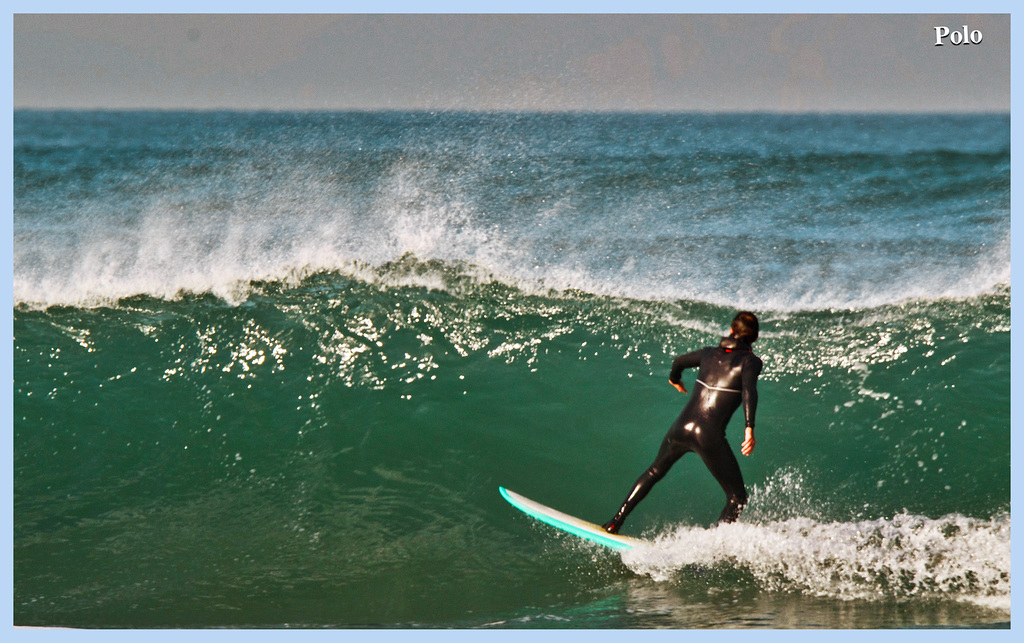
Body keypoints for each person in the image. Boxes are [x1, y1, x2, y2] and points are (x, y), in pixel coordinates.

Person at [602, 311, 763, 533]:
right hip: (708, 436)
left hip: (681, 428)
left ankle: (615, 522)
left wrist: (674, 379)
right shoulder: (750, 362)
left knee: (654, 471)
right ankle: (713, 550)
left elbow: (678, 361)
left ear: (731, 331)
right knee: (737, 497)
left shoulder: (708, 353)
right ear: (754, 338)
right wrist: (749, 428)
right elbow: (749, 391)